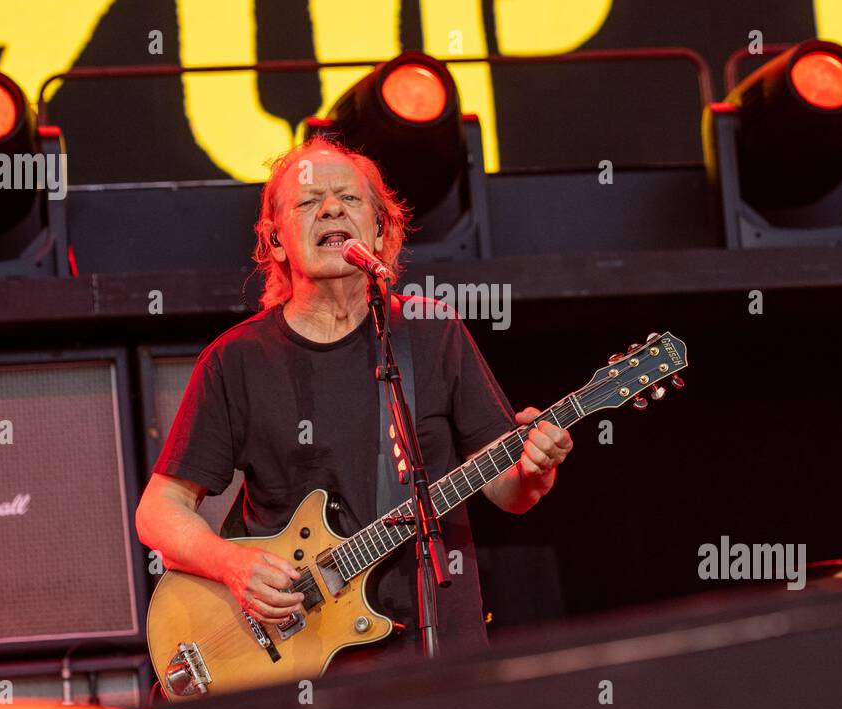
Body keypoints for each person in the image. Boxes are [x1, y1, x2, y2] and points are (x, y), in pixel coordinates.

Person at [135, 135, 572, 668]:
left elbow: (509, 493)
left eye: (349, 198)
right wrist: (232, 566)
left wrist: (534, 472)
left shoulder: (431, 331)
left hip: (438, 651)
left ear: (380, 229)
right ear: (275, 242)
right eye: (308, 201)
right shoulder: (237, 360)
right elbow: (159, 511)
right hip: (304, 658)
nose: (332, 208)